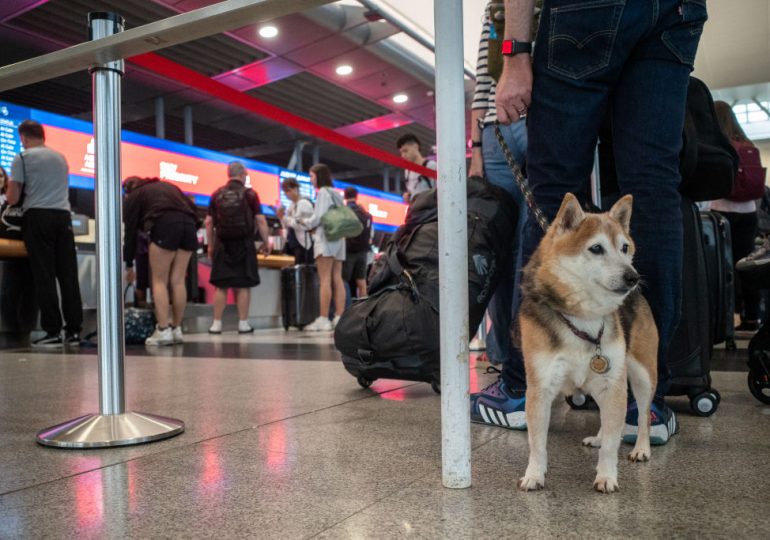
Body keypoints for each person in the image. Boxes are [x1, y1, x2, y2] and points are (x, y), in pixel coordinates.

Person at [472, 0, 708, 445]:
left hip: (588, 11)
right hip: (677, 11)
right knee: (653, 187)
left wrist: (516, 51)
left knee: (555, 196)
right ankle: (646, 401)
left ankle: (525, 388)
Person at [468, 0, 532, 367]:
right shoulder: (495, 11)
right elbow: (482, 84)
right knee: (499, 244)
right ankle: (506, 353)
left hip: (542, 117)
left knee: (536, 239)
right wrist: (475, 150)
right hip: (496, 130)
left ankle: (534, 350)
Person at [5, 120, 82, 349]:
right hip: (63, 218)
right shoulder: (60, 158)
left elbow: (12, 198)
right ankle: (74, 332)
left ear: (24, 138)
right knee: (68, 276)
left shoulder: (22, 158)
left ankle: (52, 331)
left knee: (44, 276)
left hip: (38, 218)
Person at [123, 176, 199, 346]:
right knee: (178, 280)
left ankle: (163, 330)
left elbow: (130, 233)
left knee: (159, 280)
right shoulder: (166, 186)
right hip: (189, 225)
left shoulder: (134, 196)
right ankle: (176, 329)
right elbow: (192, 208)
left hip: (165, 225)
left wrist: (128, 264)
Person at [711, 100, 762, 334]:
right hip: (750, 212)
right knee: (748, 265)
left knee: (724, 268)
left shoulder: (720, 145)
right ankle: (752, 316)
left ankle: (728, 317)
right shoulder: (748, 145)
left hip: (724, 211)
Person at [206, 161, 270, 335]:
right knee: (243, 285)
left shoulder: (216, 194)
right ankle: (243, 323)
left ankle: (216, 324)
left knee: (221, 286)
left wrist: (210, 246)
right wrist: (266, 242)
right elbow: (261, 220)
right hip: (244, 243)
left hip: (222, 244)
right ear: (243, 175)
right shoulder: (250, 194)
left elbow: (209, 222)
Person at [300, 163, 346, 331]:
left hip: (326, 238)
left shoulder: (323, 193)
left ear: (319, 176)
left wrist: (305, 222)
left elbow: (318, 217)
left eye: (311, 176)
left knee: (324, 279)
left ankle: (323, 318)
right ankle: (339, 316)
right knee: (337, 277)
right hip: (339, 238)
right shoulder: (336, 193)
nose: (311, 180)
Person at [342, 187, 373, 298]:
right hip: (363, 251)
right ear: (356, 196)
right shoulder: (366, 214)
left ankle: (346, 308)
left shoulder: (344, 211)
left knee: (343, 281)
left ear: (345, 196)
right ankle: (363, 309)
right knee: (361, 280)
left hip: (348, 251)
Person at [276, 177, 314, 265]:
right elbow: (287, 226)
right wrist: (281, 216)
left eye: (288, 191)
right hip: (295, 244)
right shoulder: (292, 205)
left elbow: (300, 225)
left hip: (305, 245)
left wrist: (283, 217)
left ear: (295, 188)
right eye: (284, 191)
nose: (286, 194)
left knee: (304, 274)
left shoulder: (303, 203)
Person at [396, 133, 437, 203]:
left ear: (416, 147)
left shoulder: (431, 166)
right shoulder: (407, 171)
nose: (403, 155)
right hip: (415, 210)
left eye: (406, 151)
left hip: (429, 210)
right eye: (401, 152)